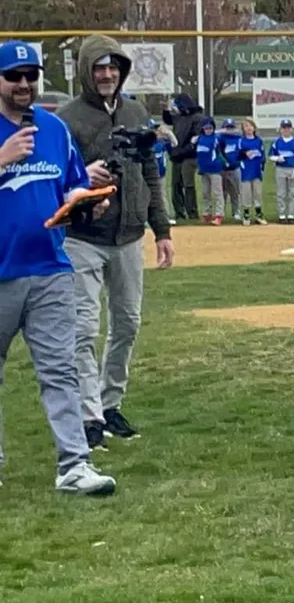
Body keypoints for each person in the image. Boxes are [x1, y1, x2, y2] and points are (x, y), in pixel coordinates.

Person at [0, 41, 119, 495]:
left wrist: (86, 203)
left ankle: (74, 465)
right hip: (1, 271)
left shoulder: (53, 129)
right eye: (14, 76)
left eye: (31, 75)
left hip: (50, 268)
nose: (24, 84)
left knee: (60, 370)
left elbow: (70, 187)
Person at [54, 35, 176, 450]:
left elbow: (151, 174)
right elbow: (50, 177)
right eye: (99, 67)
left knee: (127, 323)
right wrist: (81, 177)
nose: (107, 75)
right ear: (87, 71)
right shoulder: (66, 119)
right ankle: (88, 416)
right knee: (84, 329)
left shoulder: (135, 111)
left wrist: (162, 229)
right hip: (82, 237)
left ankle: (110, 404)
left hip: (128, 235)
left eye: (113, 67)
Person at [163, 92, 204, 222]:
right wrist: (166, 110)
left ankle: (192, 211)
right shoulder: (179, 117)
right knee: (175, 185)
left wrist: (181, 151)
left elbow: (195, 139)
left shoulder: (197, 118)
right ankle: (179, 212)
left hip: (189, 156)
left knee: (188, 184)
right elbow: (168, 119)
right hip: (177, 156)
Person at [270, 120, 294, 224]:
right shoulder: (277, 142)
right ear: (280, 129)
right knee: (281, 193)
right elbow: (271, 155)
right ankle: (281, 215)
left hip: (292, 168)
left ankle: (291, 215)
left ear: (291, 129)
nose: (286, 130)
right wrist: (277, 158)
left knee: (292, 193)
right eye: (284, 128)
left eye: (288, 128)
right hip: (280, 169)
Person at [195, 118, 224, 225]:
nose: (208, 130)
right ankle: (207, 213)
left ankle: (219, 214)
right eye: (206, 128)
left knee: (217, 192)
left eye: (210, 128)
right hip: (203, 169)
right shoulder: (199, 139)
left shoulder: (216, 138)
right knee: (205, 193)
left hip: (215, 169)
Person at [237, 119, 266, 225]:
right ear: (243, 129)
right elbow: (238, 155)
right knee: (246, 193)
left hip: (257, 170)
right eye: (246, 126)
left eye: (250, 126)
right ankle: (246, 214)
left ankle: (259, 214)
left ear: (254, 128)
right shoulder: (242, 141)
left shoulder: (258, 140)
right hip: (246, 170)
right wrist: (245, 153)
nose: (248, 128)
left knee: (258, 193)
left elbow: (263, 156)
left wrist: (262, 168)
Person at [217, 119, 242, 223]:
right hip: (222, 168)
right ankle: (221, 213)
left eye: (231, 127)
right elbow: (218, 151)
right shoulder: (220, 138)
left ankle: (236, 212)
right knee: (223, 192)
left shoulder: (238, 137)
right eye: (227, 127)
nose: (229, 129)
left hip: (235, 167)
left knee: (235, 192)